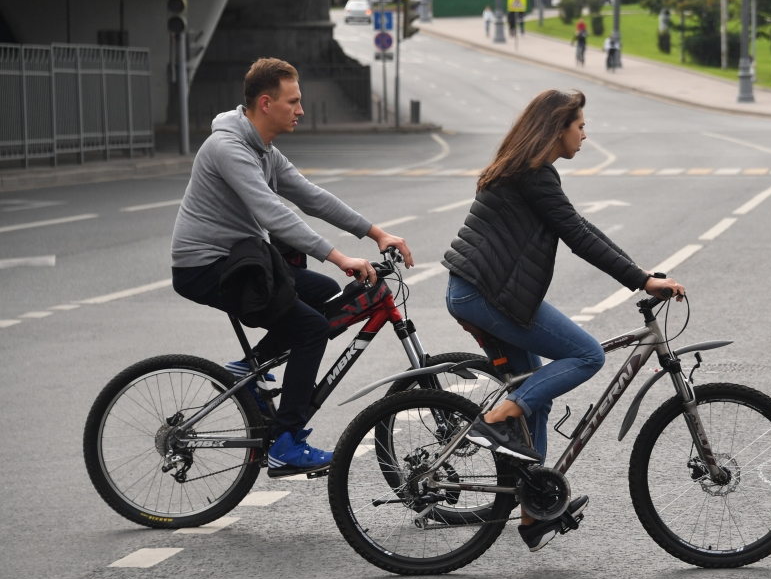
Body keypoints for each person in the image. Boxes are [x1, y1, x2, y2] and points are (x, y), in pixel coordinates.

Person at [442, 89, 686, 550]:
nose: (585, 134)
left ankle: (534, 513)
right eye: (580, 126)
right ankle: (494, 421)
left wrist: (641, 275)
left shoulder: (529, 172)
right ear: (558, 128)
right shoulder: (533, 175)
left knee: (536, 394)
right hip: (487, 294)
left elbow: (579, 225)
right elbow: (576, 235)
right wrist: (641, 282)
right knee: (587, 354)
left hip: (484, 292)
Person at [170, 58, 414, 476]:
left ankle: (249, 368)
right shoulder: (228, 149)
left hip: (240, 261)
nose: (301, 109)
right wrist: (339, 257)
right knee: (311, 327)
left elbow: (312, 197)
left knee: (320, 293)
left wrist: (375, 233)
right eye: (294, 101)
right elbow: (273, 214)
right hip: (205, 266)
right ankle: (285, 440)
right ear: (266, 103)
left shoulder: (263, 151)